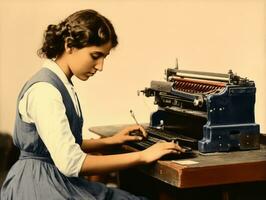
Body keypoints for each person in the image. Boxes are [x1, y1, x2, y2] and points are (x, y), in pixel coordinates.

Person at [0, 9, 185, 200]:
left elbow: (59, 145)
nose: (100, 66)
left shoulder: (60, 83)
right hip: (39, 184)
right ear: (69, 45)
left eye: (104, 57)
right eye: (95, 55)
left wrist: (109, 141)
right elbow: (71, 162)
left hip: (52, 177)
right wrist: (143, 155)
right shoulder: (45, 91)